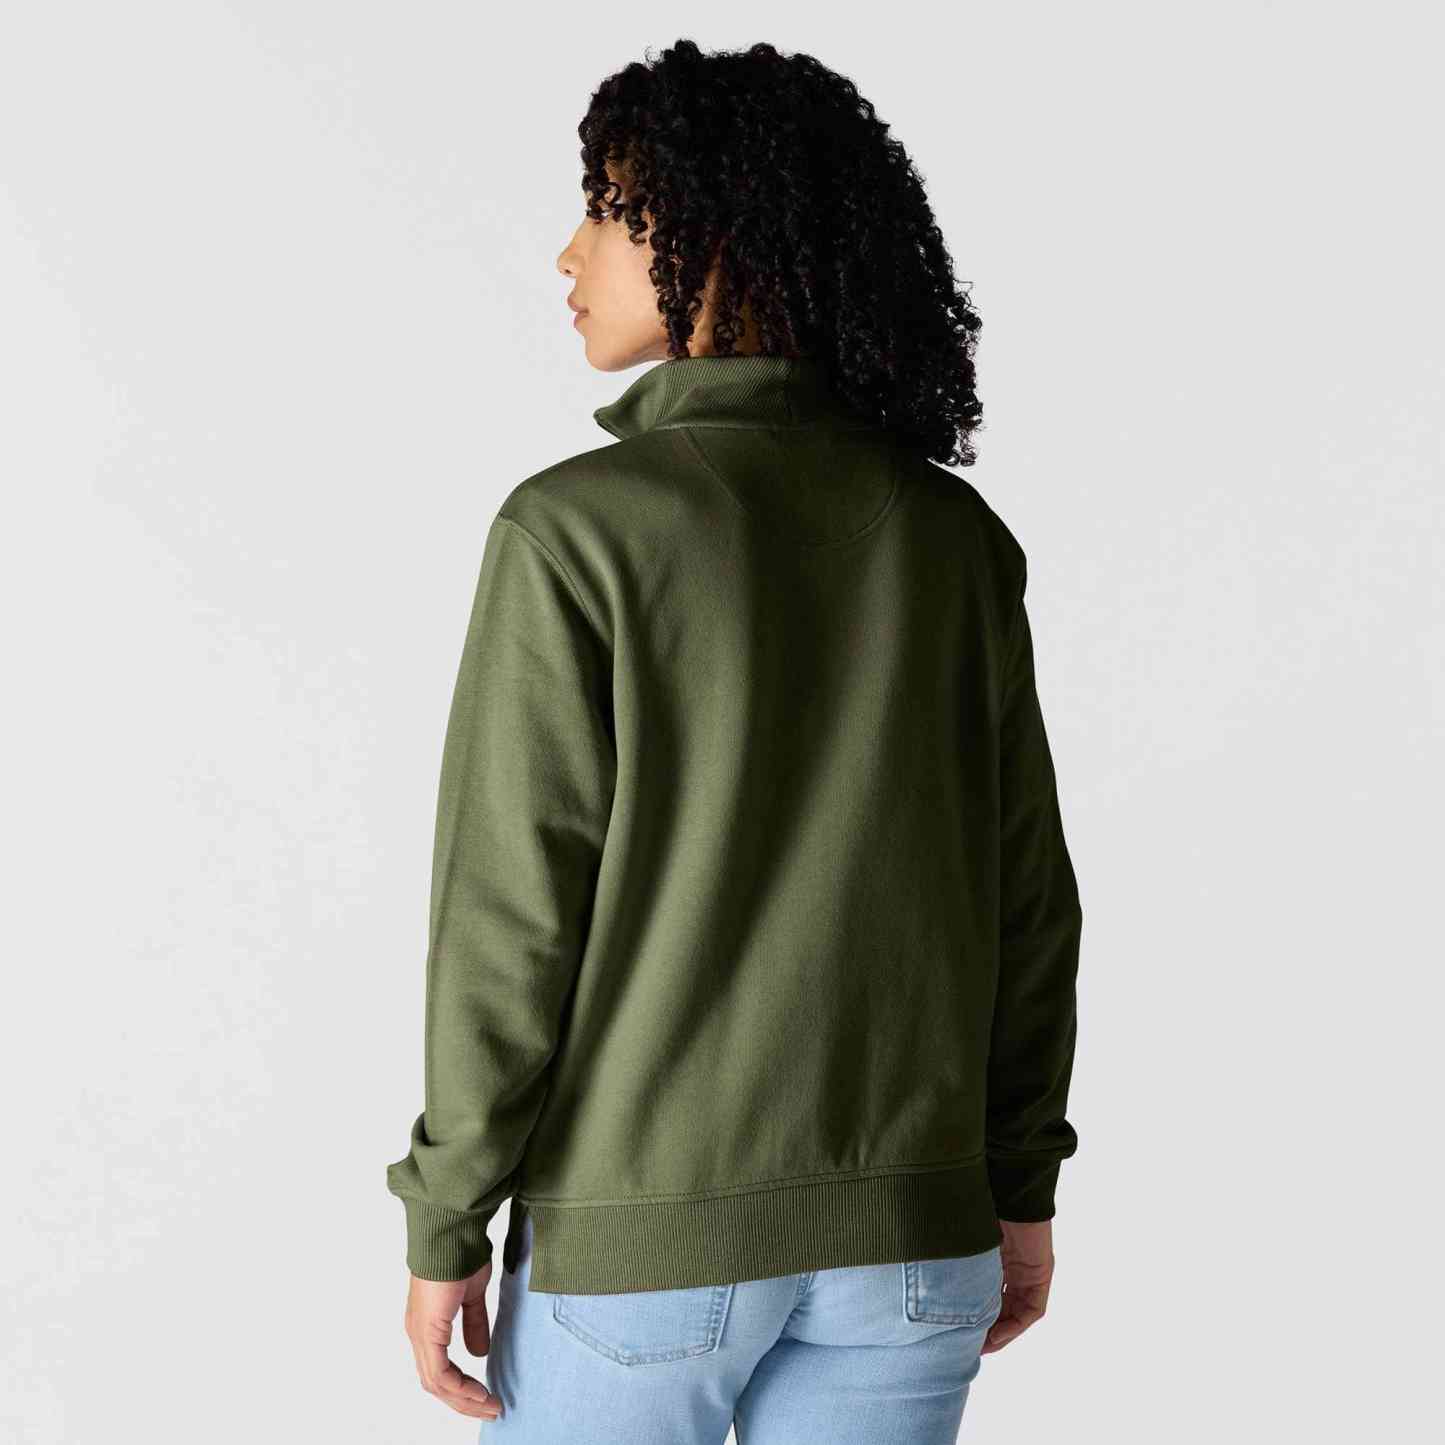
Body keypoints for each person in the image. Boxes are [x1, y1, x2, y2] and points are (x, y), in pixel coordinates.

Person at [386, 38, 1083, 1443]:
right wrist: (1017, 1185)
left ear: (711, 236)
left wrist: (447, 1210)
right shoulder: (952, 538)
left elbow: (510, 918)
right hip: (914, 1243)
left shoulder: (574, 530)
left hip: (642, 1250)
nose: (569, 252)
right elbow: (1027, 901)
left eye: (606, 208)